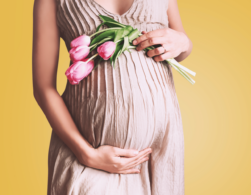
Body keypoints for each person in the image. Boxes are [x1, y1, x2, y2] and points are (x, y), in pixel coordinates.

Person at [32, 0, 192, 194]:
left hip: (160, 152)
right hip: (90, 152)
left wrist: (183, 42)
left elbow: (181, 49)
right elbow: (43, 88)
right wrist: (86, 154)